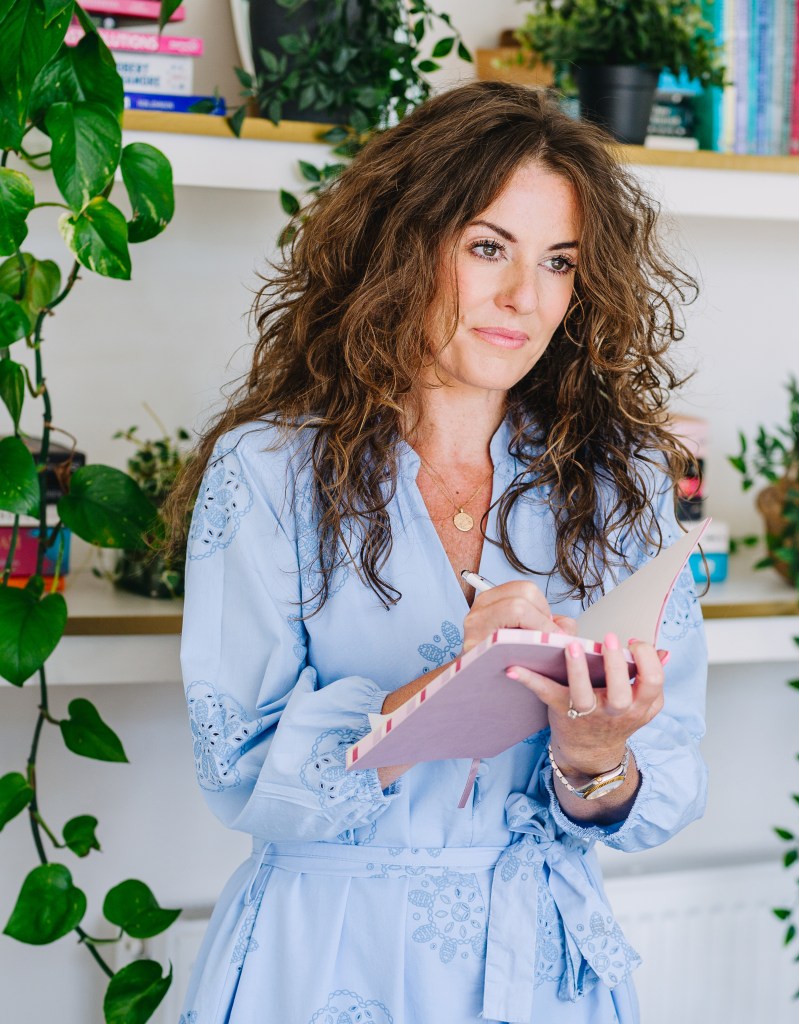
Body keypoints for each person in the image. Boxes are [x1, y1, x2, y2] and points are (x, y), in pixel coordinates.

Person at [167, 80, 708, 1024]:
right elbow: (241, 769)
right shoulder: (266, 472)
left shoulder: (625, 486)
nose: (521, 298)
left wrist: (594, 760)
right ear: (407, 246)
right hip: (327, 955)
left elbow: (663, 789)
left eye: (559, 263)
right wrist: (444, 691)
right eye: (487, 247)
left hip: (541, 963)